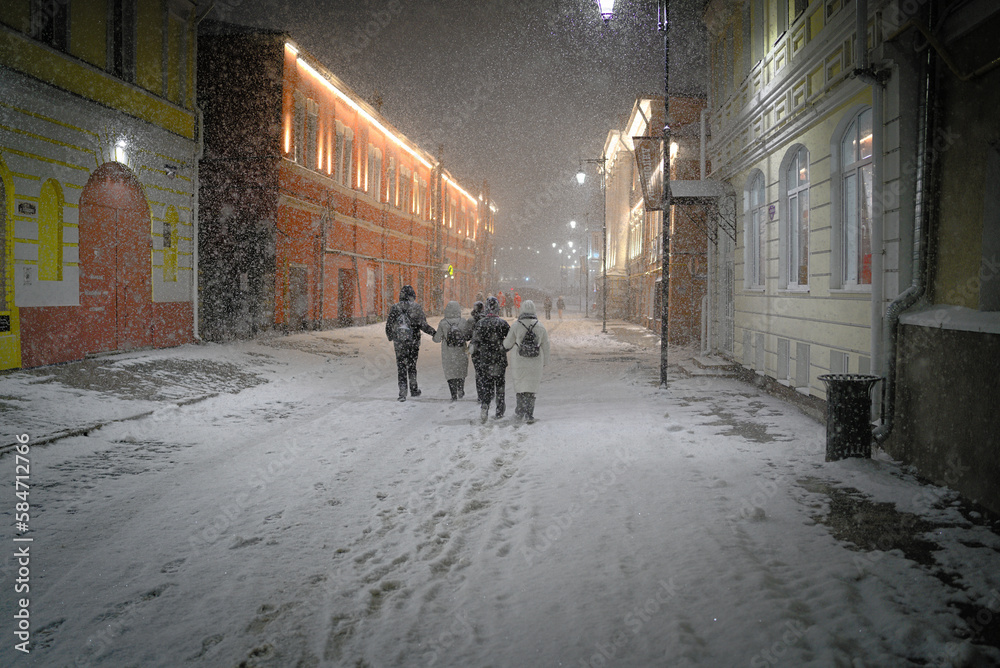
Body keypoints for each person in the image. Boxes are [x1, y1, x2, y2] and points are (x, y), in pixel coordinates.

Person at [385, 285, 435, 402]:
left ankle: (402, 392)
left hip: (399, 342)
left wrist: (390, 336)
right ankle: (414, 389)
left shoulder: (395, 307)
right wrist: (434, 333)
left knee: (401, 366)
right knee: (412, 366)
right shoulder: (416, 307)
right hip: (413, 341)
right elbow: (423, 325)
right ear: (413, 296)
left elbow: (389, 325)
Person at [503, 299, 550, 424]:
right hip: (535, 360)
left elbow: (507, 343)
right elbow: (546, 345)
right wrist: (546, 361)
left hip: (519, 360)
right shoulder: (540, 326)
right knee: (531, 387)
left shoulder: (516, 325)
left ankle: (520, 411)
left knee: (520, 386)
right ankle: (529, 413)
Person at [471, 296, 510, 422]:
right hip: (499, 358)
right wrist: (503, 348)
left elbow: (475, 341)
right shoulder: (503, 324)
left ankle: (485, 406)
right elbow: (509, 341)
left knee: (486, 385)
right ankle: (499, 409)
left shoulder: (480, 323)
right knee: (500, 384)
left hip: (485, 359)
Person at [433, 300, 473, 401]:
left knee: (450, 372)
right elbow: (468, 336)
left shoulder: (443, 323)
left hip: (448, 352)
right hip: (461, 351)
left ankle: (453, 394)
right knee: (461, 370)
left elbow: (437, 339)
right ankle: (460, 389)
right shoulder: (463, 321)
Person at [468, 300, 486, 402]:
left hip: (475, 348)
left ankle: (480, 394)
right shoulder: (486, 319)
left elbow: (466, 335)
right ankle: (488, 393)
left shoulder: (471, 320)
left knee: (478, 372)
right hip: (486, 348)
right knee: (487, 371)